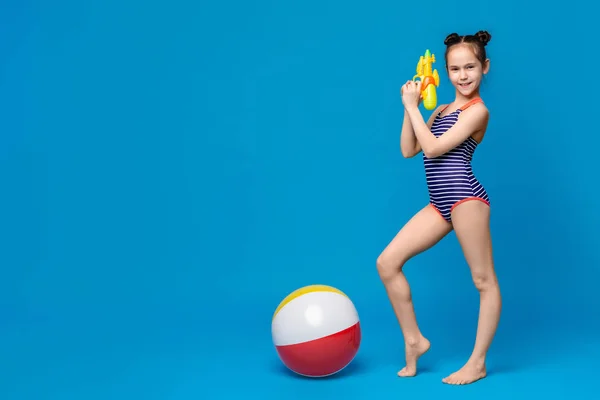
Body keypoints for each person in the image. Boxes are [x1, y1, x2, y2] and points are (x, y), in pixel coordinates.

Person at [376, 30, 502, 385]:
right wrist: (408, 106)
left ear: (484, 67)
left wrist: (416, 108)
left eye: (470, 67)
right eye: (455, 69)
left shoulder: (478, 112)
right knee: (387, 263)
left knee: (483, 280)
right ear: (445, 71)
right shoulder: (441, 110)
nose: (463, 76)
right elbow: (408, 149)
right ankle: (414, 340)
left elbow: (432, 149)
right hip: (439, 203)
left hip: (466, 198)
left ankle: (477, 362)